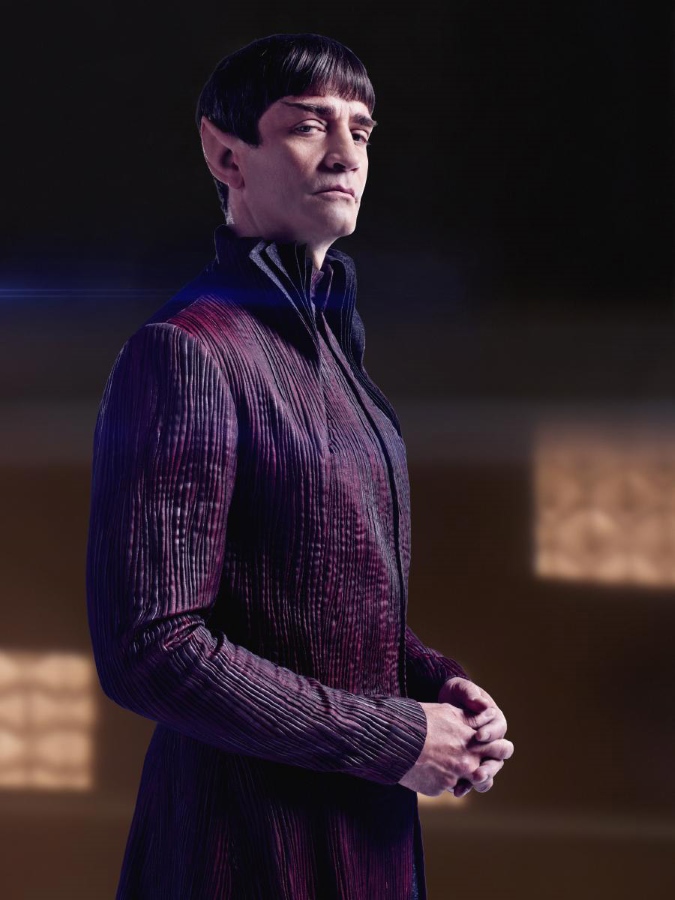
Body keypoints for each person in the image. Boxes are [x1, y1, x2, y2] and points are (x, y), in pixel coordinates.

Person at [85, 32, 513, 900]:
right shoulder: (186, 352)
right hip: (239, 847)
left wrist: (438, 688)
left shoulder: (338, 356)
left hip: (365, 840)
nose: (346, 154)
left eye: (361, 129)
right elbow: (151, 648)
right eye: (309, 126)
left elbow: (318, 608)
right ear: (225, 154)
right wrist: (398, 738)